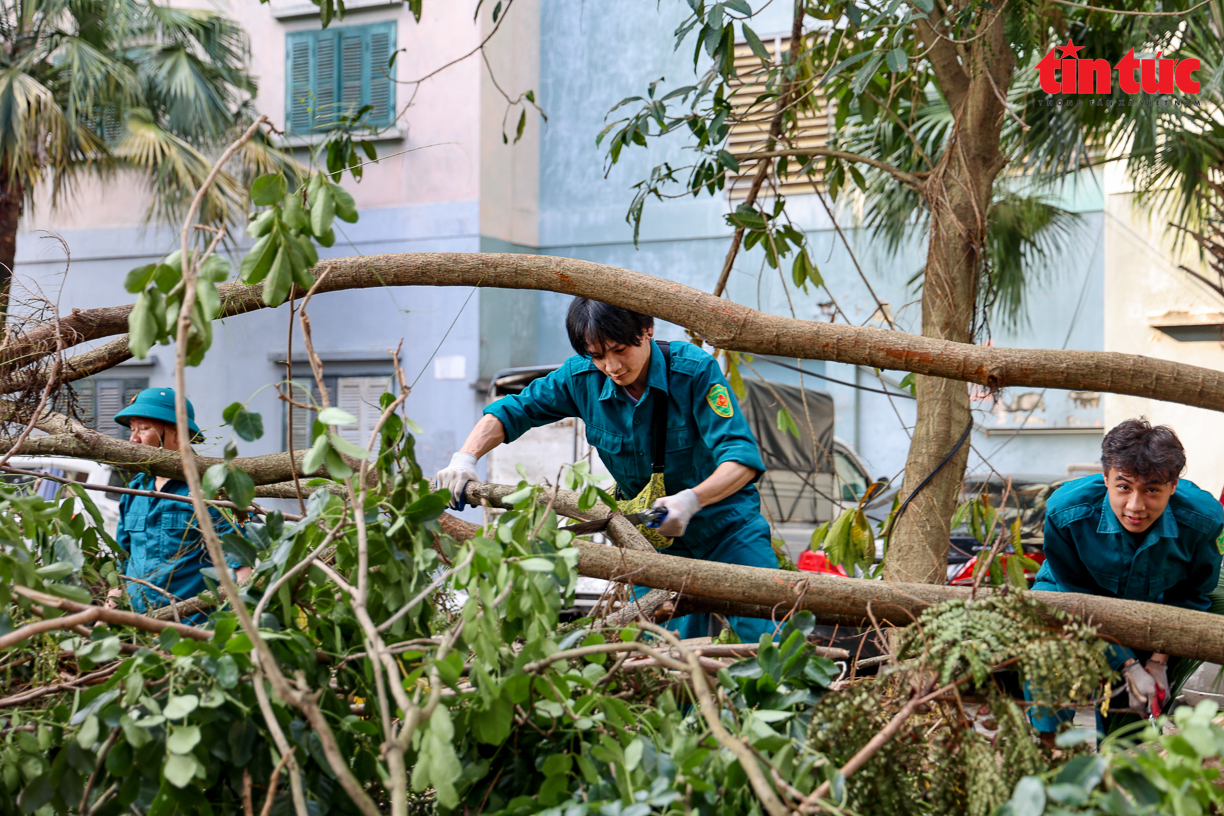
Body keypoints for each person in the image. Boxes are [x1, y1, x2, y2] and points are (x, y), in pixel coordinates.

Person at [437, 299, 779, 643]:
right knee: (659, 659)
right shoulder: (579, 377)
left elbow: (741, 459)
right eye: (597, 355)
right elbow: (511, 410)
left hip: (728, 531)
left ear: (647, 331)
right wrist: (465, 458)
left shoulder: (693, 371)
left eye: (619, 350)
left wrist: (691, 500)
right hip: (652, 544)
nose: (611, 366)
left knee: (771, 638)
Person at [1029, 418, 1223, 741]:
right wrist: (1128, 664)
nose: (1135, 506)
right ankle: (1047, 757)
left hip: (1148, 613)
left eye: (1152, 490)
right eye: (1123, 487)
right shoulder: (1065, 513)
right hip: (1069, 601)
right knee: (1048, 687)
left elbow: (1192, 596)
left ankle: (1120, 776)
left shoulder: (1203, 521)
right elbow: (1077, 599)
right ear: (1104, 478)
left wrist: (1158, 661)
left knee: (1131, 722)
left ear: (1173, 486)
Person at [106, 388, 250, 624]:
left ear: (178, 433)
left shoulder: (212, 489)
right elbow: (124, 562)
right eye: (131, 430)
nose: (133, 439)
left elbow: (240, 563)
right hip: (139, 631)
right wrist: (104, 618)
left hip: (193, 631)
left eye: (143, 428)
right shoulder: (134, 491)